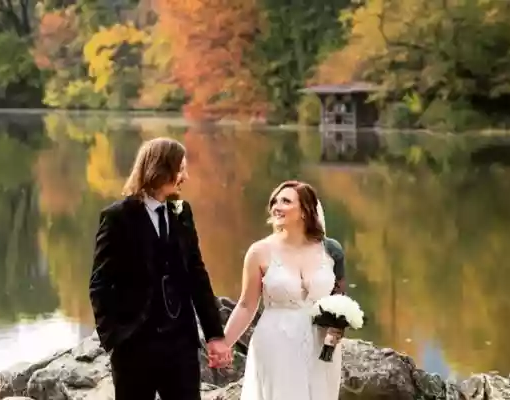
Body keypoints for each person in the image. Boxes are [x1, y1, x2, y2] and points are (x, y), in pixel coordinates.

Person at [88, 137, 232, 400]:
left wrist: (214, 335)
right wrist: (115, 337)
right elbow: (100, 284)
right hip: (134, 346)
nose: (185, 176)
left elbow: (197, 275)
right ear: (160, 168)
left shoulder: (182, 212)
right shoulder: (118, 217)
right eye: (181, 169)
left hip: (181, 345)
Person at [220, 180, 343, 400]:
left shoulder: (330, 251)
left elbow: (340, 303)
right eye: (275, 201)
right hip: (276, 343)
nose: (277, 206)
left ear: (305, 210)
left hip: (320, 347)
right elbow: (246, 305)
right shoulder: (259, 252)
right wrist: (223, 344)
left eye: (286, 201)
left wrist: (331, 345)